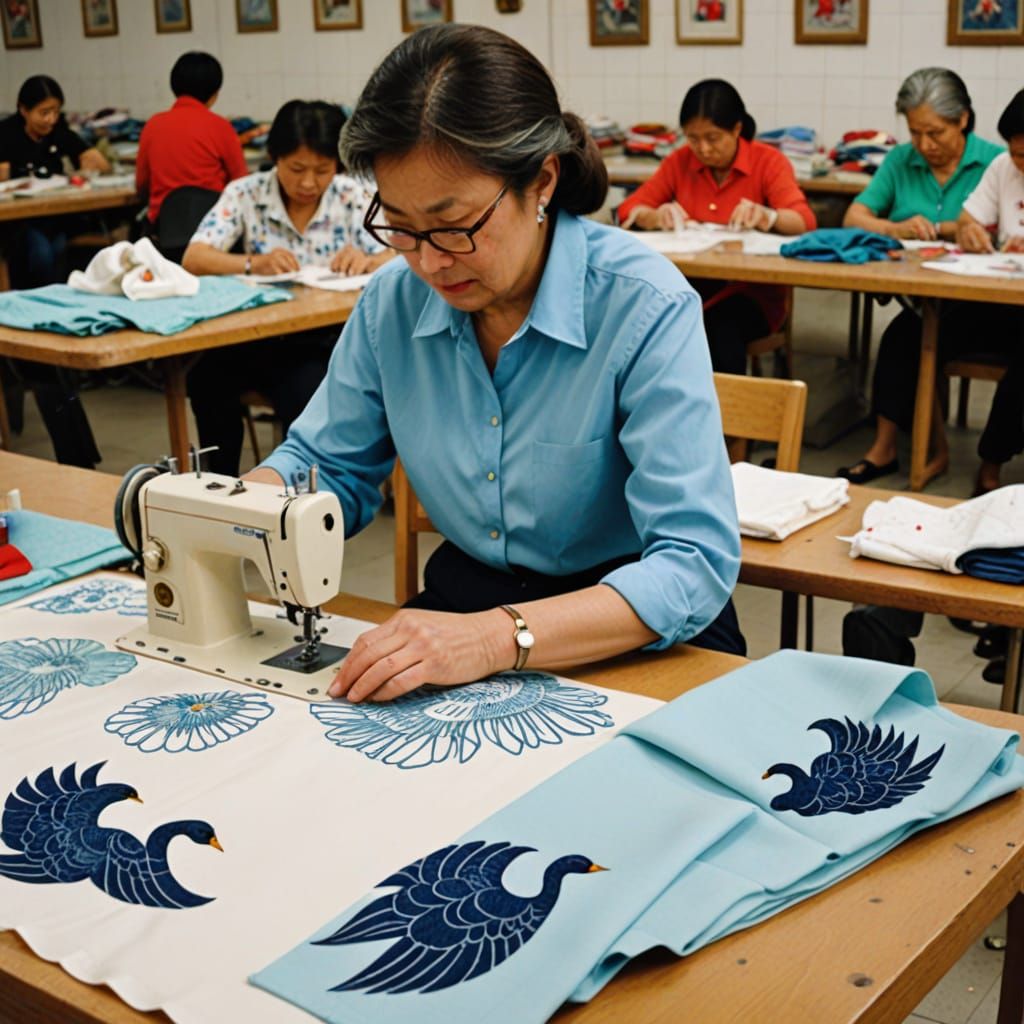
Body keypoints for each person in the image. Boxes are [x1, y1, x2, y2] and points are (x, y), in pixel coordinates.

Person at [245, 24, 744, 705]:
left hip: (632, 623)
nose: (428, 260)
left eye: (454, 227)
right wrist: (241, 509)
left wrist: (489, 640)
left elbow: (692, 565)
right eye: (399, 226)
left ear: (540, 180)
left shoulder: (641, 306)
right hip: (471, 602)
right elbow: (328, 464)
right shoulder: (393, 302)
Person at [182, 99, 388, 477]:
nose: (308, 183)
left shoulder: (352, 196)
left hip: (323, 340)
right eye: (296, 169)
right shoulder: (246, 194)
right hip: (256, 338)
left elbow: (402, 253)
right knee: (205, 379)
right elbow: (195, 257)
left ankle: (295, 498)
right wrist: (252, 263)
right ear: (274, 157)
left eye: (322, 170)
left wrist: (369, 260)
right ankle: (218, 485)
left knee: (307, 390)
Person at [839, 67, 1004, 487]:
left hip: (983, 304)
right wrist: (895, 229)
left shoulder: (995, 161)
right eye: (916, 133)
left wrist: (952, 230)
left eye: (936, 133)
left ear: (962, 119)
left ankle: (981, 458)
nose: (925, 145)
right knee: (901, 338)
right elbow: (854, 216)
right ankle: (885, 448)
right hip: (921, 296)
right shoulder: (900, 160)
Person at [616, 79, 815, 375]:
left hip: (752, 294)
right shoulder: (680, 161)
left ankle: (725, 417)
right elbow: (628, 209)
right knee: (638, 319)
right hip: (689, 285)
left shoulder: (768, 162)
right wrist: (654, 217)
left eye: (713, 138)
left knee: (716, 329)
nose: (703, 149)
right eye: (693, 139)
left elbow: (805, 222)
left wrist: (767, 217)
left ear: (736, 129)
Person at [0, 75, 109, 468]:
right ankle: (46, 299)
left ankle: (60, 303)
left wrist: (86, 158)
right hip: (15, 228)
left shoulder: (59, 132)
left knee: (59, 245)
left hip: (51, 218)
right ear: (23, 110)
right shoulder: (7, 134)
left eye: (55, 112)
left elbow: (95, 161)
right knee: (41, 249)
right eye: (43, 112)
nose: (50, 119)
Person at [953, 88, 1024, 486]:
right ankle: (895, 448)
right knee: (913, 331)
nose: (1020, 164)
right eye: (1015, 153)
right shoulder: (1002, 168)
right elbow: (967, 220)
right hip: (1001, 298)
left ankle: (991, 463)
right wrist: (971, 233)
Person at [135, 51, 248, 226]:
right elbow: (241, 184)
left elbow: (142, 186)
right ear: (215, 93)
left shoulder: (152, 125)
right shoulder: (220, 126)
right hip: (214, 228)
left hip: (164, 229)